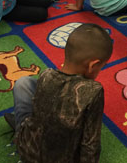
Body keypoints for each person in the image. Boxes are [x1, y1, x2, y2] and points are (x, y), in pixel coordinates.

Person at [8, 23, 113, 163]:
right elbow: (90, 143)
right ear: (92, 65)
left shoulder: (47, 75)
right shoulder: (94, 91)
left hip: (27, 151)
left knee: (23, 83)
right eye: (102, 67)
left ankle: (20, 128)